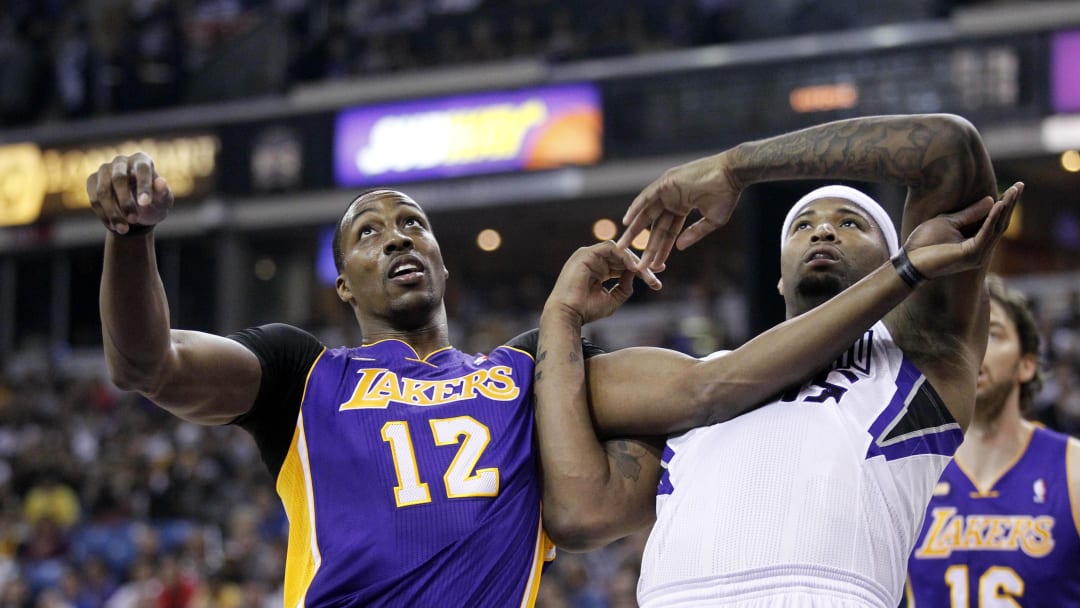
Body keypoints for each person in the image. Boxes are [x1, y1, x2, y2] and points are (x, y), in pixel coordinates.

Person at [86, 134, 1008, 606]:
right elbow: (146, 362)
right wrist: (132, 242)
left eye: (413, 224)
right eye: (369, 232)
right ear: (343, 283)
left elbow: (705, 388)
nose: (397, 237)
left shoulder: (528, 373)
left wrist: (561, 319)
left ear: (445, 262)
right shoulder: (302, 371)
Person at [535, 113, 1023, 608]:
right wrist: (562, 313)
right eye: (804, 226)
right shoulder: (690, 386)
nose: (824, 232)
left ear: (895, 259)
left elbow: (950, 147)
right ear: (780, 282)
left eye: (850, 223)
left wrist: (735, 168)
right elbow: (581, 514)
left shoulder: (921, 358)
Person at [904, 276, 1080, 606]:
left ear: (1026, 365)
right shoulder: (912, 471)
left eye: (993, 333)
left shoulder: (1072, 469)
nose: (974, 348)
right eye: (963, 334)